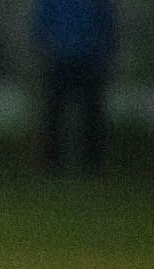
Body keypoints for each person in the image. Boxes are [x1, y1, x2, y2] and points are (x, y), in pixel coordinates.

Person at [31, 0, 118, 176]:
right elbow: (41, 25)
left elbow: (108, 26)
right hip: (62, 60)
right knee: (55, 114)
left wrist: (107, 55)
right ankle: (55, 162)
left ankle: (90, 162)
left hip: (87, 60)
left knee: (90, 114)